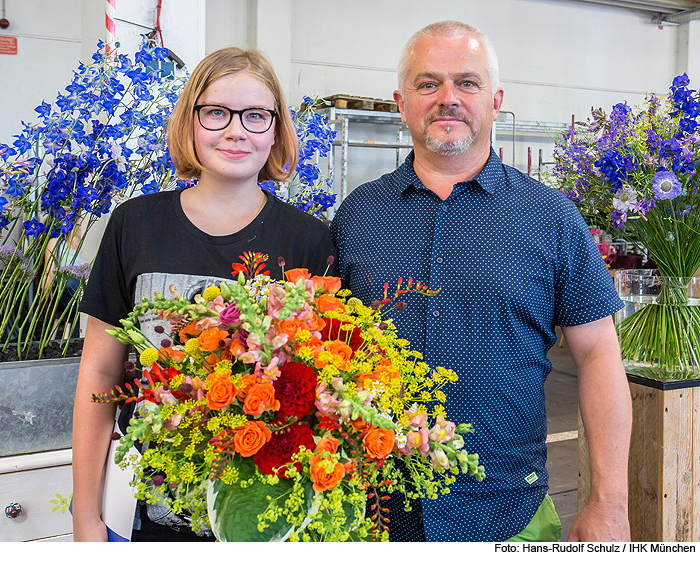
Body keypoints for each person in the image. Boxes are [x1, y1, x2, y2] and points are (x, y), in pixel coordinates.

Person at [330, 20, 632, 542]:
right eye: (429, 84)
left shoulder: (551, 217)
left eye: (466, 83)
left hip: (512, 514)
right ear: (402, 103)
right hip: (371, 515)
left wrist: (609, 503)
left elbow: (598, 355)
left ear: (495, 101)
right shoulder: (357, 217)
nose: (448, 98)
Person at [72, 47, 336, 542]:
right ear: (190, 121)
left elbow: (316, 396)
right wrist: (85, 518)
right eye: (216, 112)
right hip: (138, 515)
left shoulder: (311, 240)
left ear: (276, 129)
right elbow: (100, 374)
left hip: (263, 514)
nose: (236, 131)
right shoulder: (136, 224)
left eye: (256, 115)